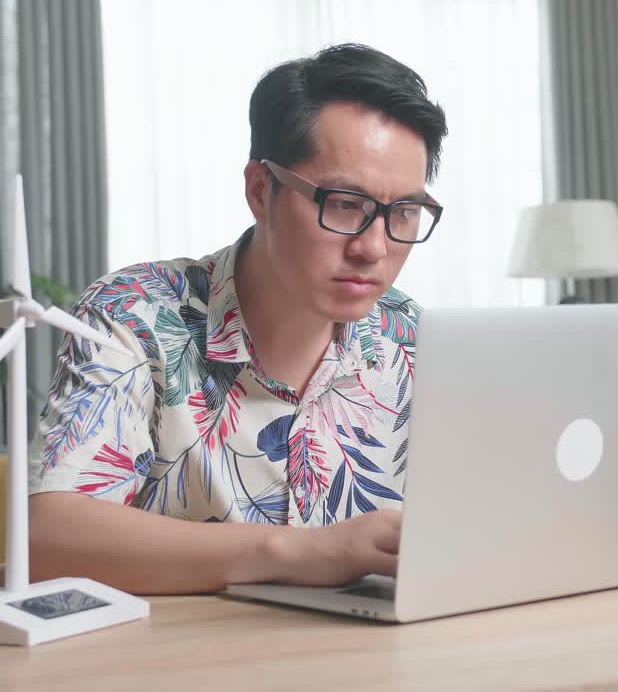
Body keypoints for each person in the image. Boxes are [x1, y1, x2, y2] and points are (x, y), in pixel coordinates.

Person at [27, 43, 448, 594]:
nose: (374, 248)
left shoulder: (409, 337)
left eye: (404, 212)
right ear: (260, 190)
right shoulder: (136, 314)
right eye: (345, 204)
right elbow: (49, 536)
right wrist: (294, 551)